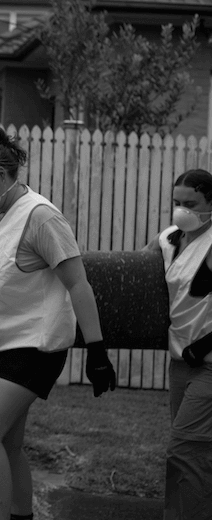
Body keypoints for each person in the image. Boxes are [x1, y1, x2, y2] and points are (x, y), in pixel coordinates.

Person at [0, 128, 116, 520]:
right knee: (9, 444)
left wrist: (96, 351)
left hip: (35, 345)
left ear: (1, 176)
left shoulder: (42, 218)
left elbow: (78, 283)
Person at [144, 169, 212, 519]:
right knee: (195, 451)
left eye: (191, 204)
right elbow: (139, 272)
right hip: (180, 360)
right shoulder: (170, 238)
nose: (182, 210)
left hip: (207, 361)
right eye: (176, 203)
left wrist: (203, 346)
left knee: (184, 449)